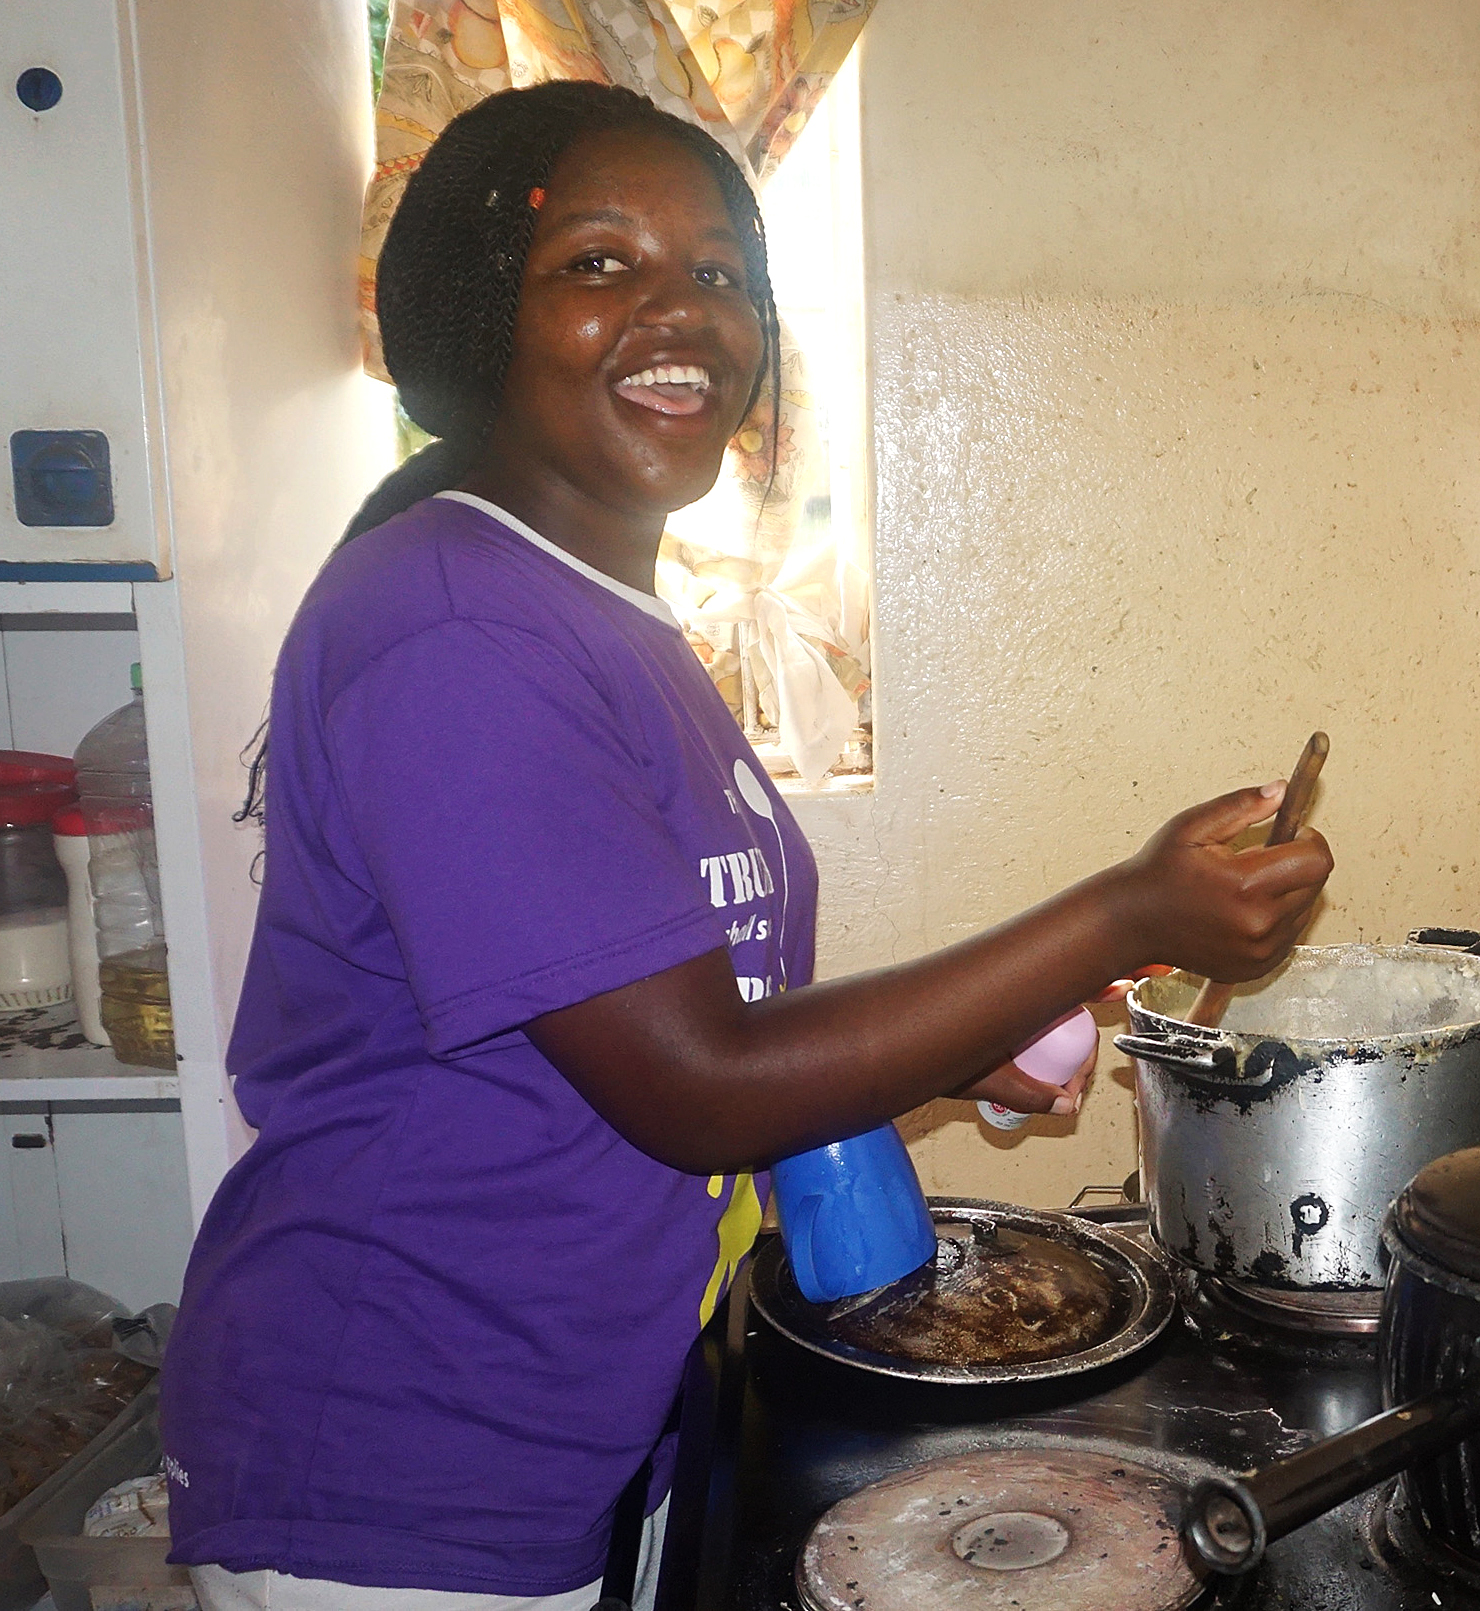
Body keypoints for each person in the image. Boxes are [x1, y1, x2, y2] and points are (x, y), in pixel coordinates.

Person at [160, 82, 1331, 1608]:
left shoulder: (610, 622)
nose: (679, 314)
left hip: (542, 1419)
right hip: (397, 1452)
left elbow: (671, 1015)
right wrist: (1123, 911)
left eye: (718, 274)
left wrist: (959, 1044)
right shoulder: (453, 626)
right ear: (474, 307)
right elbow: (700, 1087)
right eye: (600, 262)